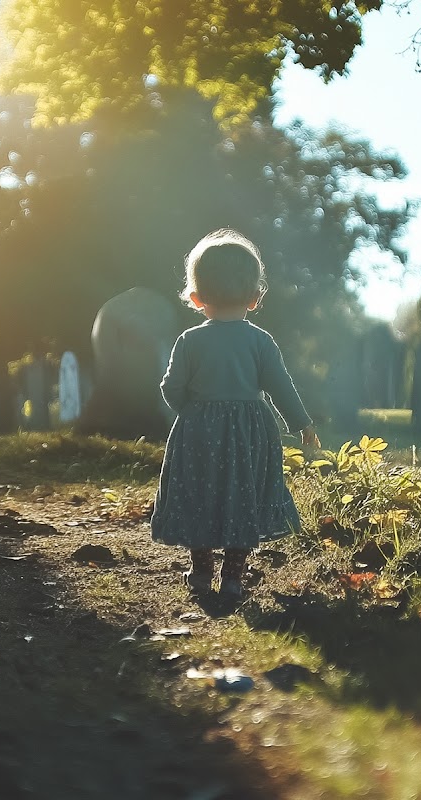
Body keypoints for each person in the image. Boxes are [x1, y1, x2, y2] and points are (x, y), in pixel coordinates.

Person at [151, 229, 320, 602]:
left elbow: (170, 387)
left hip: (197, 433)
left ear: (196, 299)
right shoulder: (260, 341)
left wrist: (192, 413)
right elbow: (280, 386)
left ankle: (200, 572)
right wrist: (302, 422)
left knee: (199, 495)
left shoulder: (189, 341)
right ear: (255, 298)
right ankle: (232, 577)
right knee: (244, 497)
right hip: (251, 433)